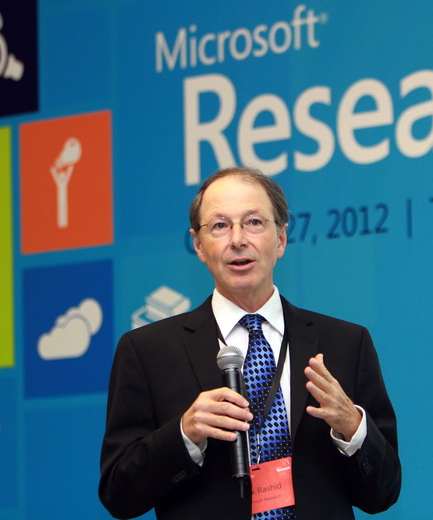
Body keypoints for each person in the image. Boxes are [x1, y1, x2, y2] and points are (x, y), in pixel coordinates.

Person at [99, 168, 401, 519]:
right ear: (199, 245)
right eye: (219, 225)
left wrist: (353, 427)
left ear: (281, 238)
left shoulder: (346, 343)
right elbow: (119, 494)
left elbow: (383, 492)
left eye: (254, 222)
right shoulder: (148, 351)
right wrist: (184, 435)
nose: (238, 239)